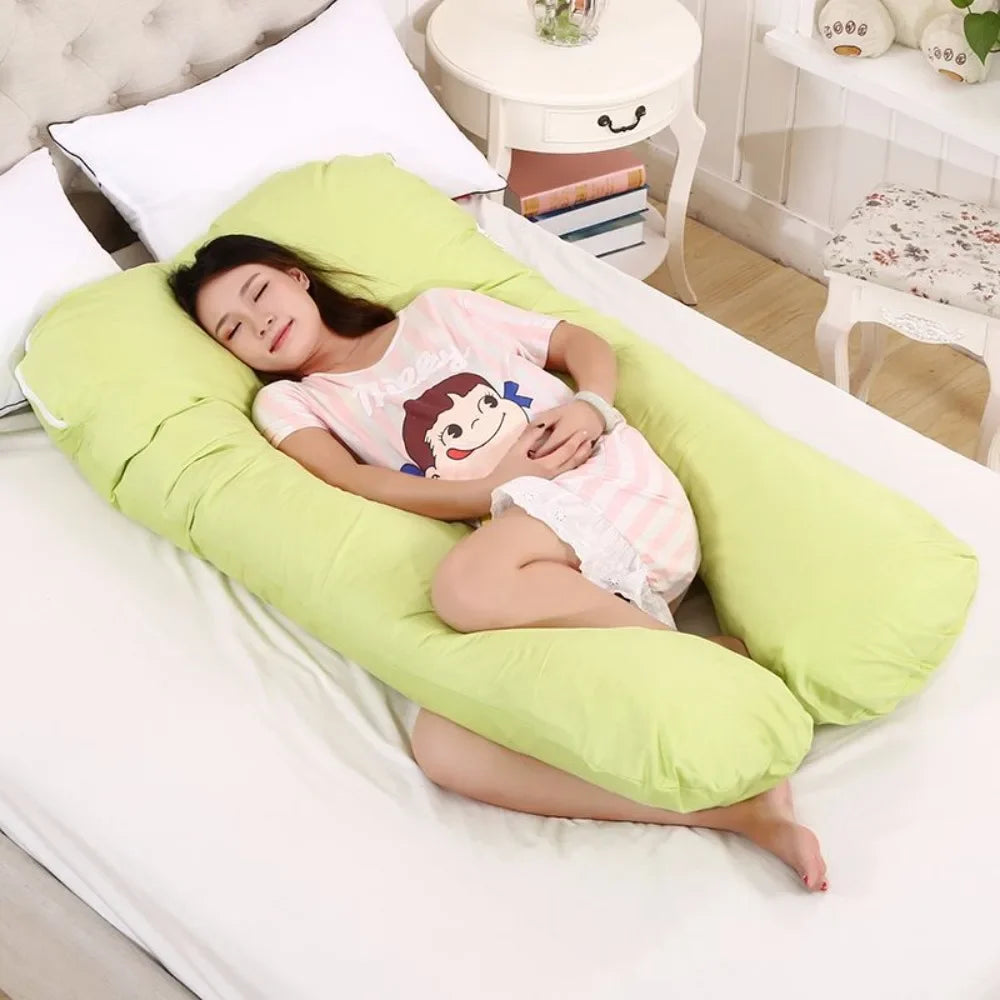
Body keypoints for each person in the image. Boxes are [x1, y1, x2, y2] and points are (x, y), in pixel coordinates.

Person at [170, 235, 827, 891]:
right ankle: (735, 811)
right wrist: (488, 490)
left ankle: (719, 676)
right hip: (544, 572)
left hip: (602, 485)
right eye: (233, 329)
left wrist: (591, 405)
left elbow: (579, 344)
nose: (259, 322)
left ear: (297, 278)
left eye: (259, 293)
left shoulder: (440, 313)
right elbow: (355, 481)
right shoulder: (292, 402)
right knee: (445, 745)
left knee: (464, 586)